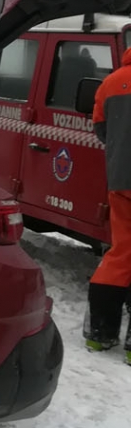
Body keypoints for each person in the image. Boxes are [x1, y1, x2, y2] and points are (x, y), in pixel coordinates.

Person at [86, 46, 131, 356]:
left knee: (121, 252)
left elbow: (102, 130)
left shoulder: (112, 82)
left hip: (122, 180)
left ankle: (100, 333)